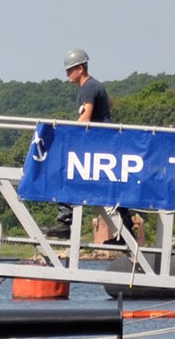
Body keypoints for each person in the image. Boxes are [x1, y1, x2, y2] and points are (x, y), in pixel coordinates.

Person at [49, 47, 132, 240]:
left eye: (70, 69)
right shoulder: (94, 87)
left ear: (81, 68)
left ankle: (65, 220)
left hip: (99, 145)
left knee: (64, 170)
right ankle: (126, 233)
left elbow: (85, 119)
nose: (67, 73)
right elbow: (108, 104)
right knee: (111, 188)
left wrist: (66, 136)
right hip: (105, 145)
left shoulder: (88, 88)